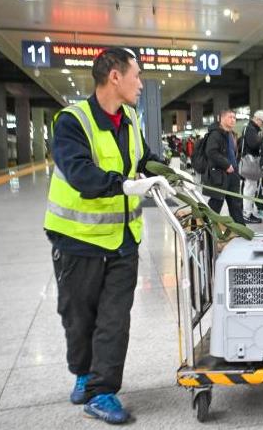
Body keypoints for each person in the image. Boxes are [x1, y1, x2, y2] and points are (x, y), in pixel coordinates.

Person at [44, 47, 174, 424]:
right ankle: (83, 373)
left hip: (123, 240)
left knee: (115, 319)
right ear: (114, 76)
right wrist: (126, 186)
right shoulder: (72, 122)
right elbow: (80, 174)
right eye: (137, 76)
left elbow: (145, 158)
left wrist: (168, 175)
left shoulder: (131, 118)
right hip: (77, 239)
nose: (140, 83)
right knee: (78, 316)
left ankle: (102, 392)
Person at [202, 109, 248, 225]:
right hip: (219, 174)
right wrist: (226, 165)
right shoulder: (215, 134)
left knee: (235, 203)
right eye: (230, 117)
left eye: (234, 117)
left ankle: (241, 229)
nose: (233, 120)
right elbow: (211, 152)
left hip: (232, 174)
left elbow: (233, 153)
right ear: (221, 119)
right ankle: (206, 228)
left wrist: (235, 168)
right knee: (216, 203)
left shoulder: (231, 134)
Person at [239, 110, 263, 224]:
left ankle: (248, 212)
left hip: (249, 162)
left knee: (251, 188)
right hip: (250, 162)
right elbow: (254, 145)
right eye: (262, 122)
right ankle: (247, 214)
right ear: (257, 119)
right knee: (249, 188)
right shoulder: (250, 129)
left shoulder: (252, 129)